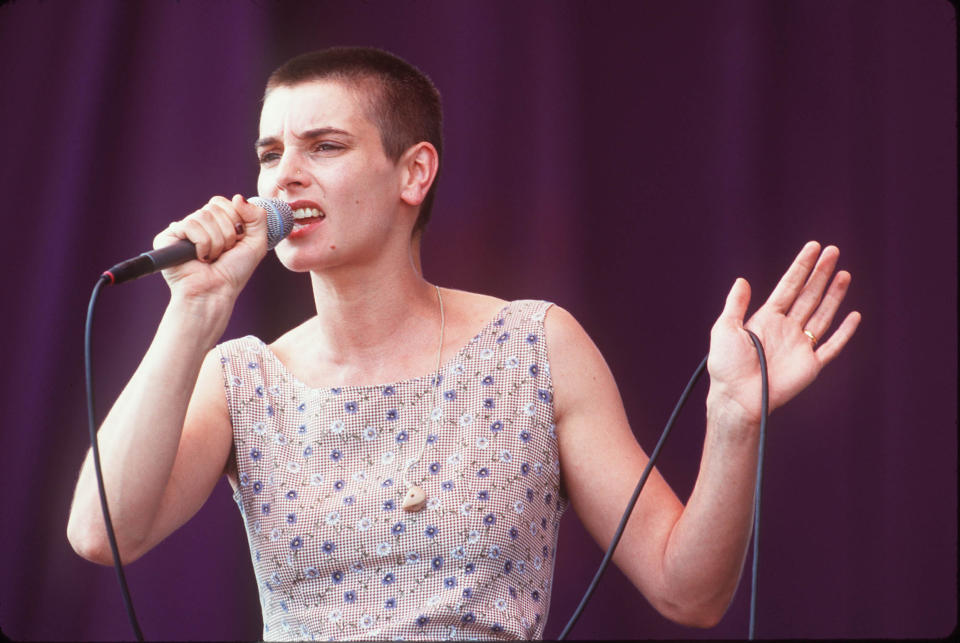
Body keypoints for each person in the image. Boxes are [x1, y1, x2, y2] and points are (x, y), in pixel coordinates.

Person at [66, 47, 861, 640]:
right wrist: (195, 310)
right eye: (271, 154)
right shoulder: (241, 377)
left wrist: (732, 418)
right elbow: (101, 533)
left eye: (325, 147)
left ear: (414, 173)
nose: (284, 178)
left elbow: (690, 591)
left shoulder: (534, 346)